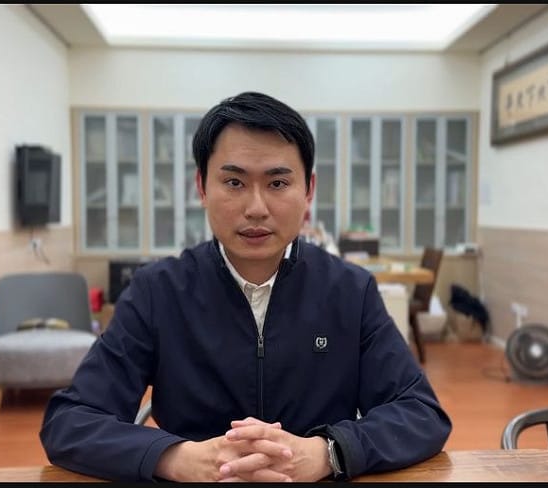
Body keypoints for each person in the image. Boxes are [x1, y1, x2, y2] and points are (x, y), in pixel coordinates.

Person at [39, 91, 452, 482]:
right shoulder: (157, 292)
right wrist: (178, 458)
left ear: (309, 190)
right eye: (234, 183)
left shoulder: (350, 291)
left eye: (278, 183)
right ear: (202, 187)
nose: (256, 208)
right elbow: (69, 422)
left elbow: (421, 414)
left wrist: (327, 453)